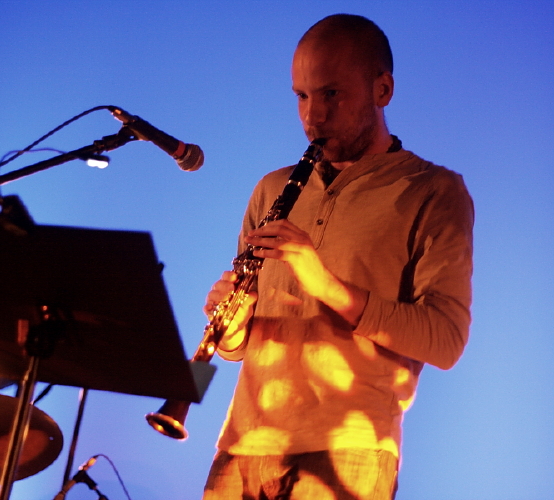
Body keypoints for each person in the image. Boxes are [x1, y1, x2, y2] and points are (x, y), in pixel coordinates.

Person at [201, 14, 473, 500]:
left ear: (382, 89)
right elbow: (237, 349)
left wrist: (325, 285)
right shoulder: (272, 188)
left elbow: (446, 340)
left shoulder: (433, 191)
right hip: (242, 446)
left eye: (331, 94)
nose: (313, 116)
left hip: (350, 450)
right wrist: (234, 326)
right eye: (302, 96)